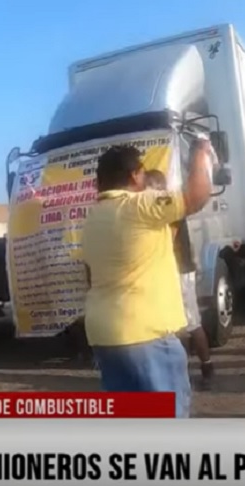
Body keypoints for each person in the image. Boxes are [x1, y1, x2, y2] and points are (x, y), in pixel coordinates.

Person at [82, 139, 214, 418]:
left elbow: (90, 274)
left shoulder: (93, 217)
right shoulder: (141, 205)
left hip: (104, 336)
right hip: (145, 335)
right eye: (142, 173)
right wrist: (201, 153)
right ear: (134, 175)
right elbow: (197, 195)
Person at [144, 169, 215, 389]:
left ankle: (205, 368)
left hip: (180, 271)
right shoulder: (161, 207)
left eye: (147, 188)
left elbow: (168, 237)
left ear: (157, 187)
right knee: (175, 324)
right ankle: (189, 371)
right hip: (169, 271)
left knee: (188, 323)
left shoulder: (168, 207)